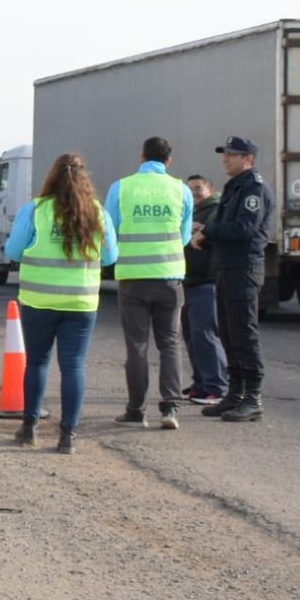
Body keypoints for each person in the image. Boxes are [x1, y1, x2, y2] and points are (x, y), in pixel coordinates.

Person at [4, 152, 119, 454]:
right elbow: (110, 257)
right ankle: (68, 434)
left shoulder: (35, 210)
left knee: (37, 362)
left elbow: (13, 251)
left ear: (51, 176)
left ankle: (29, 428)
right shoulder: (97, 213)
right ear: (85, 180)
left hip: (39, 300)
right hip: (80, 302)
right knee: (73, 365)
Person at [105, 136, 193, 430]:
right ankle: (170, 409)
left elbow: (111, 230)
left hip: (133, 278)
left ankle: (136, 411)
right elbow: (185, 236)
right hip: (169, 276)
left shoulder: (121, 187)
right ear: (169, 161)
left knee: (137, 346)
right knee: (169, 344)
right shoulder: (182, 190)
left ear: (141, 157)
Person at [190, 136, 275, 422]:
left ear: (247, 159)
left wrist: (209, 232)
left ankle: (252, 397)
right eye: (224, 154)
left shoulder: (254, 189)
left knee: (244, 334)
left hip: (243, 269)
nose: (225, 159)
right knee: (227, 332)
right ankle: (234, 394)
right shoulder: (235, 186)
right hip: (226, 268)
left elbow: (243, 228)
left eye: (231, 155)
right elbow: (225, 224)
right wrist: (207, 228)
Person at [181, 174, 228, 406]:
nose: (194, 193)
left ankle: (216, 386)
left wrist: (203, 228)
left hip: (206, 282)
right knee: (192, 335)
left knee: (205, 334)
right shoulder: (191, 213)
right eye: (189, 190)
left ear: (210, 190)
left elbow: (215, 230)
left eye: (198, 188)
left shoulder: (216, 209)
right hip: (189, 281)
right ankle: (200, 382)